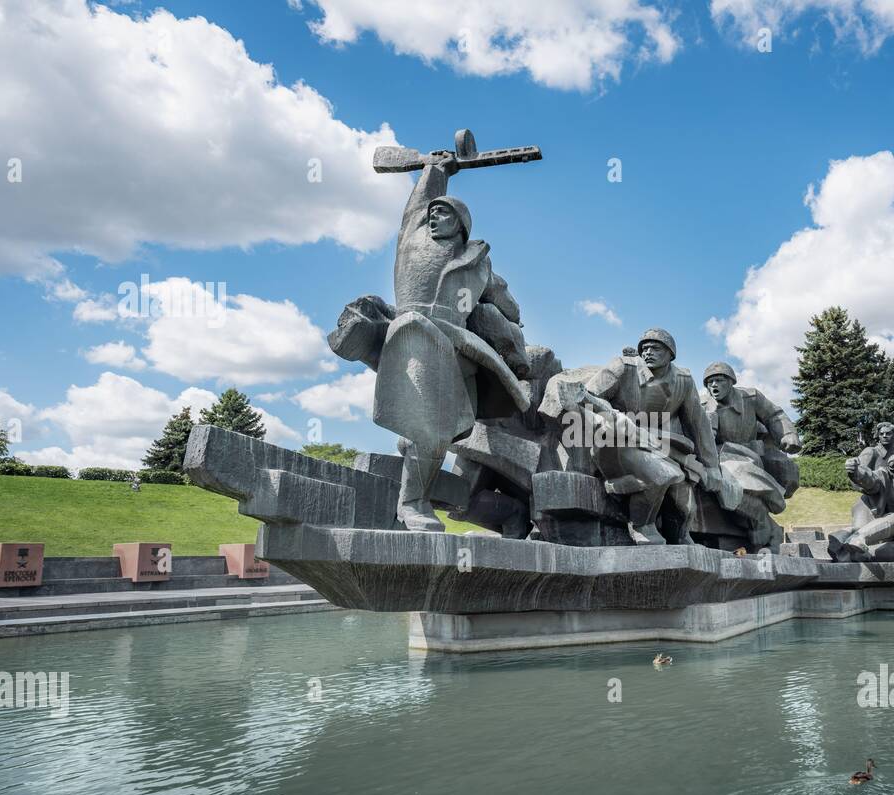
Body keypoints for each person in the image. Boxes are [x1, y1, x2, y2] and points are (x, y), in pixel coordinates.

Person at [329, 150, 531, 531]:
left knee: (455, 426)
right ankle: (413, 502)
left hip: (458, 346)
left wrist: (511, 325)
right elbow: (415, 208)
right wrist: (435, 170)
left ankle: (416, 470)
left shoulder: (478, 262)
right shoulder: (413, 243)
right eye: (432, 213)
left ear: (461, 225)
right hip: (415, 334)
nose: (433, 217)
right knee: (432, 429)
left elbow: (505, 303)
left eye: (444, 213)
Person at [565, 328, 722, 545]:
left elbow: (699, 423)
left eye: (655, 348)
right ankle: (641, 525)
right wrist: (610, 422)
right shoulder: (623, 367)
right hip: (615, 441)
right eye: (644, 349)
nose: (648, 352)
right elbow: (585, 398)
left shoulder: (683, 380)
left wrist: (712, 466)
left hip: (656, 444)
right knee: (660, 474)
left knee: (684, 494)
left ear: (670, 354)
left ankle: (679, 534)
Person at [700, 361, 799, 549]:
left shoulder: (750, 397)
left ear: (731, 382)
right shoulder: (703, 404)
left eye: (719, 380)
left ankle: (761, 523)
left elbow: (774, 415)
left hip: (745, 455)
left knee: (733, 478)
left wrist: (788, 434)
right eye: (709, 382)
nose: (714, 385)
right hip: (716, 456)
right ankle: (762, 524)